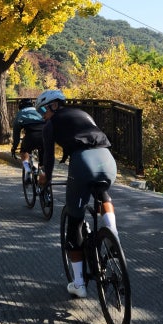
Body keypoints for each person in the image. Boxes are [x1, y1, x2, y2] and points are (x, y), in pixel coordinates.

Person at [35, 88, 118, 300]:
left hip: (83, 162)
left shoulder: (51, 124)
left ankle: (79, 284)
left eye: (43, 110)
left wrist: (46, 179)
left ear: (54, 105)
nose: (42, 116)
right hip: (107, 159)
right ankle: (113, 235)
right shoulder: (84, 114)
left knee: (75, 219)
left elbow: (49, 158)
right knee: (102, 193)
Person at [10, 97, 45, 180]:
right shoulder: (41, 108)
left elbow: (16, 134)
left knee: (24, 151)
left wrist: (14, 147)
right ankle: (42, 170)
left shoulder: (20, 114)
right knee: (43, 153)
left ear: (20, 106)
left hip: (31, 136)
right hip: (44, 135)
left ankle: (27, 169)